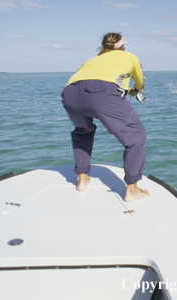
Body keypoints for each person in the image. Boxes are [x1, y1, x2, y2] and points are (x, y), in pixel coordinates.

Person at [61, 32, 150, 202]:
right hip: (101, 91)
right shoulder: (129, 57)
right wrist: (137, 90)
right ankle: (132, 190)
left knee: (82, 131)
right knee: (136, 136)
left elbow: (90, 79)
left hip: (69, 92)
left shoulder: (93, 60)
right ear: (122, 47)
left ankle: (81, 179)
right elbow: (141, 83)